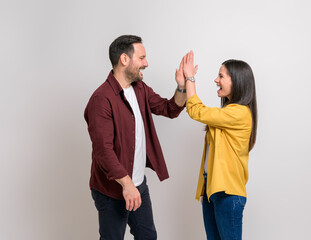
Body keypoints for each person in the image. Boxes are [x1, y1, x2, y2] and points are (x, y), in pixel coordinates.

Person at [84, 35, 187, 240]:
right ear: (124, 59)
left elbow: (170, 108)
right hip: (112, 189)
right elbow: (103, 151)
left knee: (148, 237)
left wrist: (182, 86)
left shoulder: (140, 89)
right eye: (141, 58)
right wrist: (127, 185)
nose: (146, 63)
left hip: (138, 185)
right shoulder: (101, 99)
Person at [180, 51, 258, 240]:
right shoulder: (228, 113)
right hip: (213, 190)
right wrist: (205, 189)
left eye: (221, 76)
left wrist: (190, 79)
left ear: (237, 81)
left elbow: (197, 111)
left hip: (228, 193)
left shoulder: (240, 113)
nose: (216, 80)